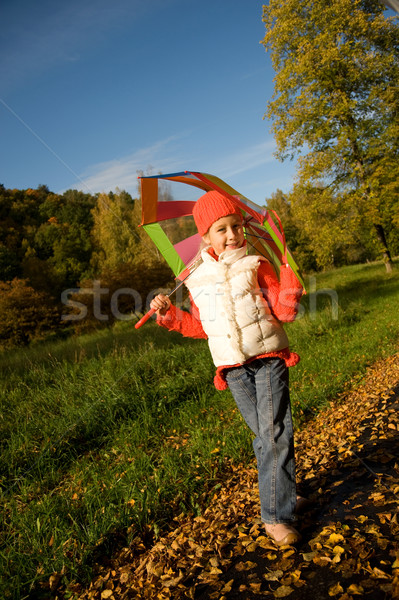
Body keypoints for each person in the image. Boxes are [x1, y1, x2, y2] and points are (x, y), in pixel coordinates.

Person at [150, 190, 305, 546]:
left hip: (267, 358)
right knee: (269, 437)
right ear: (205, 236)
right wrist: (168, 314)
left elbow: (284, 313)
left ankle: (275, 517)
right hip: (232, 369)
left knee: (275, 433)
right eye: (222, 229)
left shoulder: (258, 264)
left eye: (236, 226)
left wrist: (288, 278)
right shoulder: (195, 279)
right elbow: (201, 328)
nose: (232, 234)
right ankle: (286, 494)